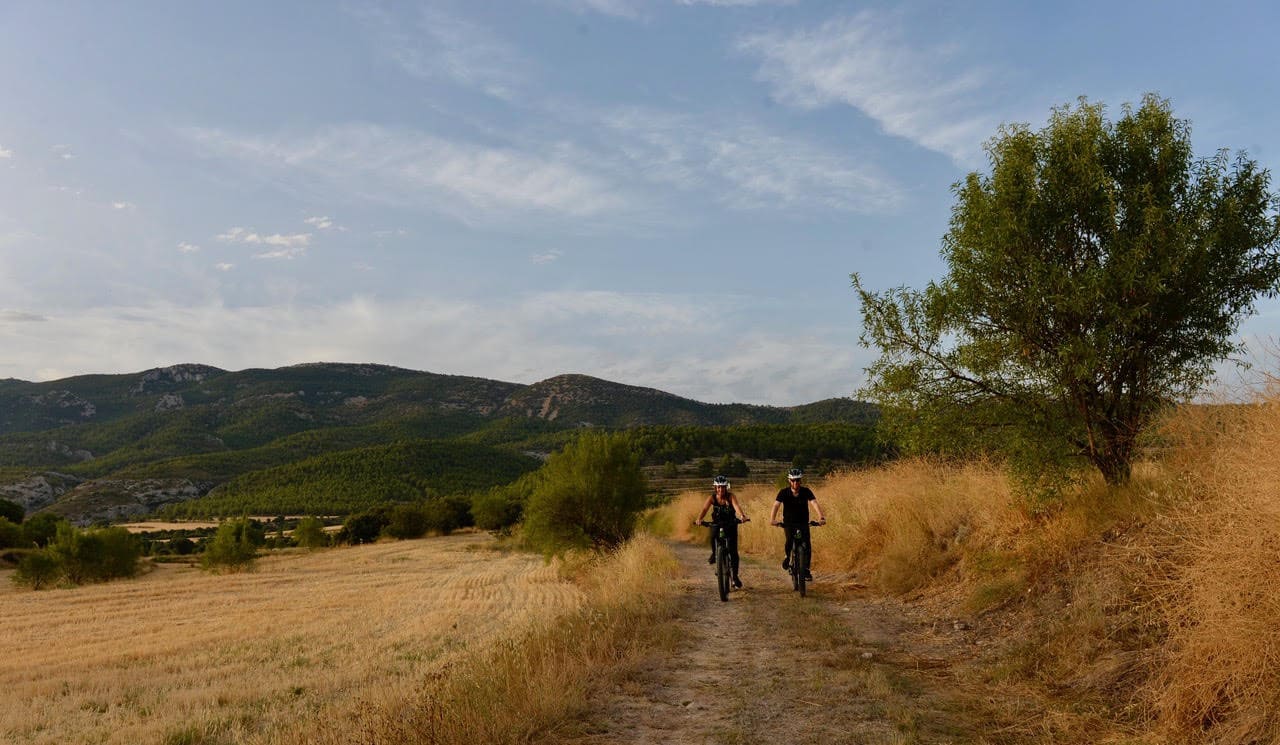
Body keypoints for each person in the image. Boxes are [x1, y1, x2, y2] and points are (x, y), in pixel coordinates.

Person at [769, 467, 826, 581]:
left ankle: (806, 570)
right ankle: (787, 556)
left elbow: (814, 503)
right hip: (789, 523)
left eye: (798, 480)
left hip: (803, 522)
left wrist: (821, 517)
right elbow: (776, 505)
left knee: (807, 545)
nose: (796, 482)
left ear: (801, 481)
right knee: (789, 540)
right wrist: (772, 519)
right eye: (793, 480)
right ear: (789, 481)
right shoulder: (783, 492)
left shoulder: (806, 491)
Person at [694, 475, 748, 588]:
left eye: (723, 487)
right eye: (718, 487)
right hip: (717, 524)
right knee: (713, 535)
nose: (720, 489)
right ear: (715, 487)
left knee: (733, 551)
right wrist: (699, 519)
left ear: (726, 487)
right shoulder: (712, 498)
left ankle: (735, 576)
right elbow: (704, 509)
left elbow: (736, 506)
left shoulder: (731, 496)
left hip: (730, 524)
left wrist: (742, 516)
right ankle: (715, 554)